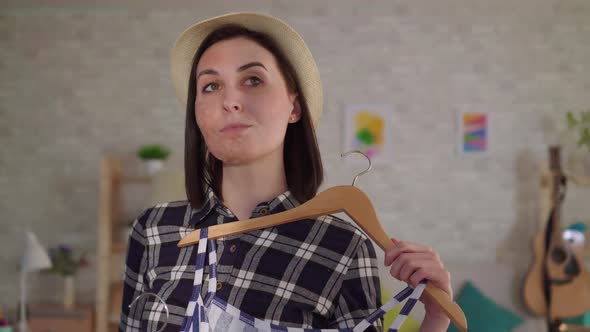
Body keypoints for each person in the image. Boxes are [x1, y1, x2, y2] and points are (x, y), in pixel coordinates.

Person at [120, 12, 452, 332]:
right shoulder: (153, 230)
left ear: (294, 107)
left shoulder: (343, 248)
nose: (230, 101)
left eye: (253, 80)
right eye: (210, 86)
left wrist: (436, 319)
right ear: (197, 113)